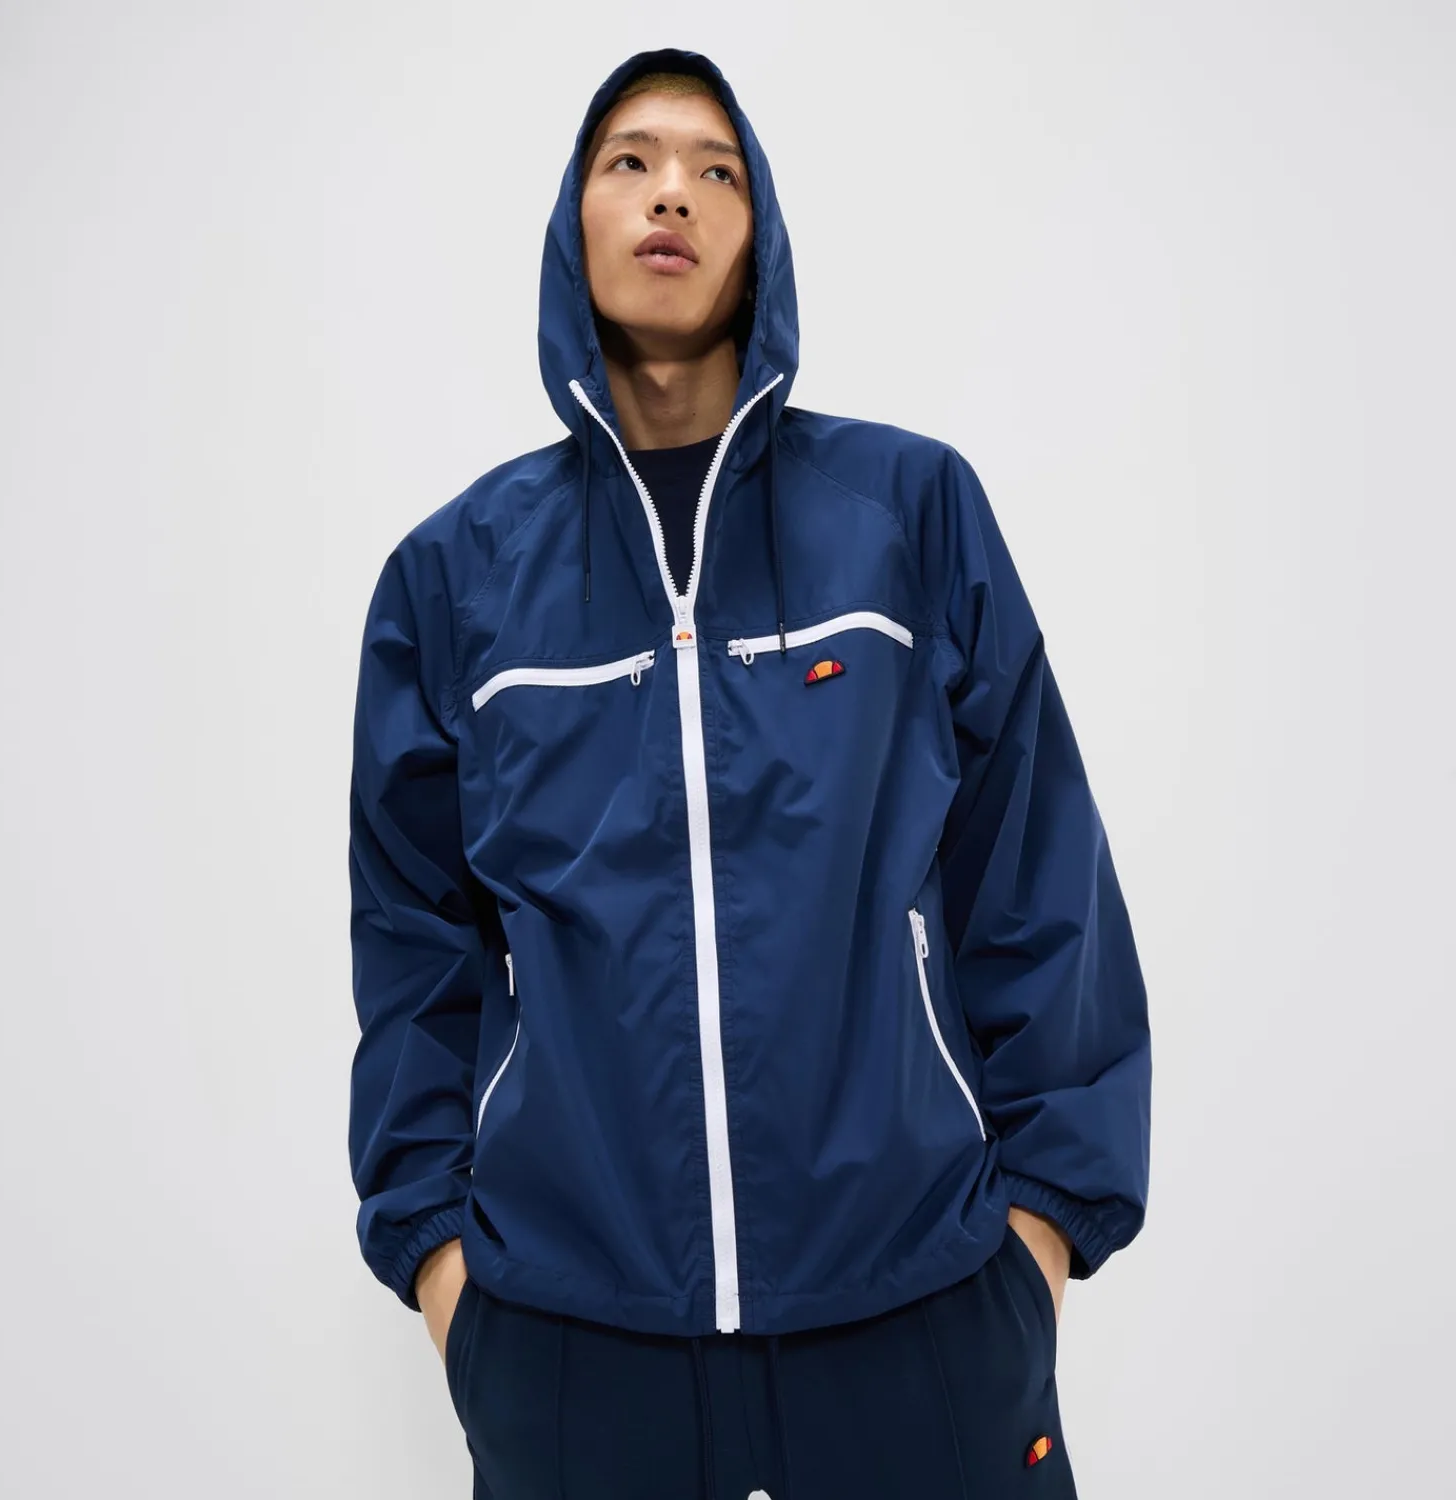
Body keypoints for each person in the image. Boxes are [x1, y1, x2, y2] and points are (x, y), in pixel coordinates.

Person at [347, 45, 1150, 1500]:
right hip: (575, 1347)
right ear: (572, 225)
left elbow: (1037, 875)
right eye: (631, 161)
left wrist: (1037, 1241)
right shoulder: (454, 577)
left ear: (759, 228)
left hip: (917, 1313)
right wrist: (447, 1279)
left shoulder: (906, 514)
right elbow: (414, 949)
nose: (672, 194)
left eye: (714, 169)